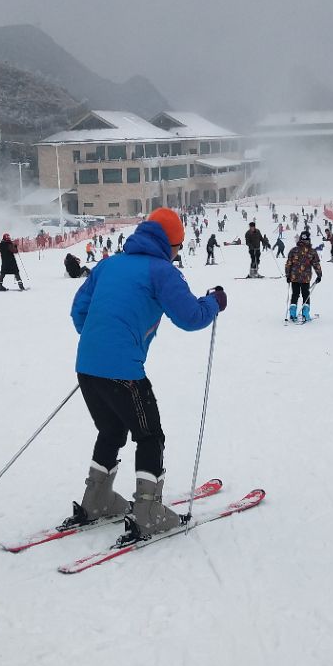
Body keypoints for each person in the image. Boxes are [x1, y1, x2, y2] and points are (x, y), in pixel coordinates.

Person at [67, 207, 226, 543]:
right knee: (149, 436)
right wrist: (214, 303)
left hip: (87, 366)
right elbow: (191, 317)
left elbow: (79, 310)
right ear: (170, 244)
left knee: (111, 429)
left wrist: (100, 342)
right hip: (122, 370)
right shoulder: (161, 271)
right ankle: (148, 511)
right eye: (178, 247)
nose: (177, 253)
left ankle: (96, 500)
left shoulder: (109, 264)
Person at [285, 229, 322, 322]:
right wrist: (319, 275)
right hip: (305, 278)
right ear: (309, 240)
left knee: (295, 294)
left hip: (294, 277)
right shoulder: (312, 251)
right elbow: (316, 264)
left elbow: (288, 263)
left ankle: (292, 313)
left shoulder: (293, 250)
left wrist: (288, 275)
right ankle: (305, 313)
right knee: (306, 294)